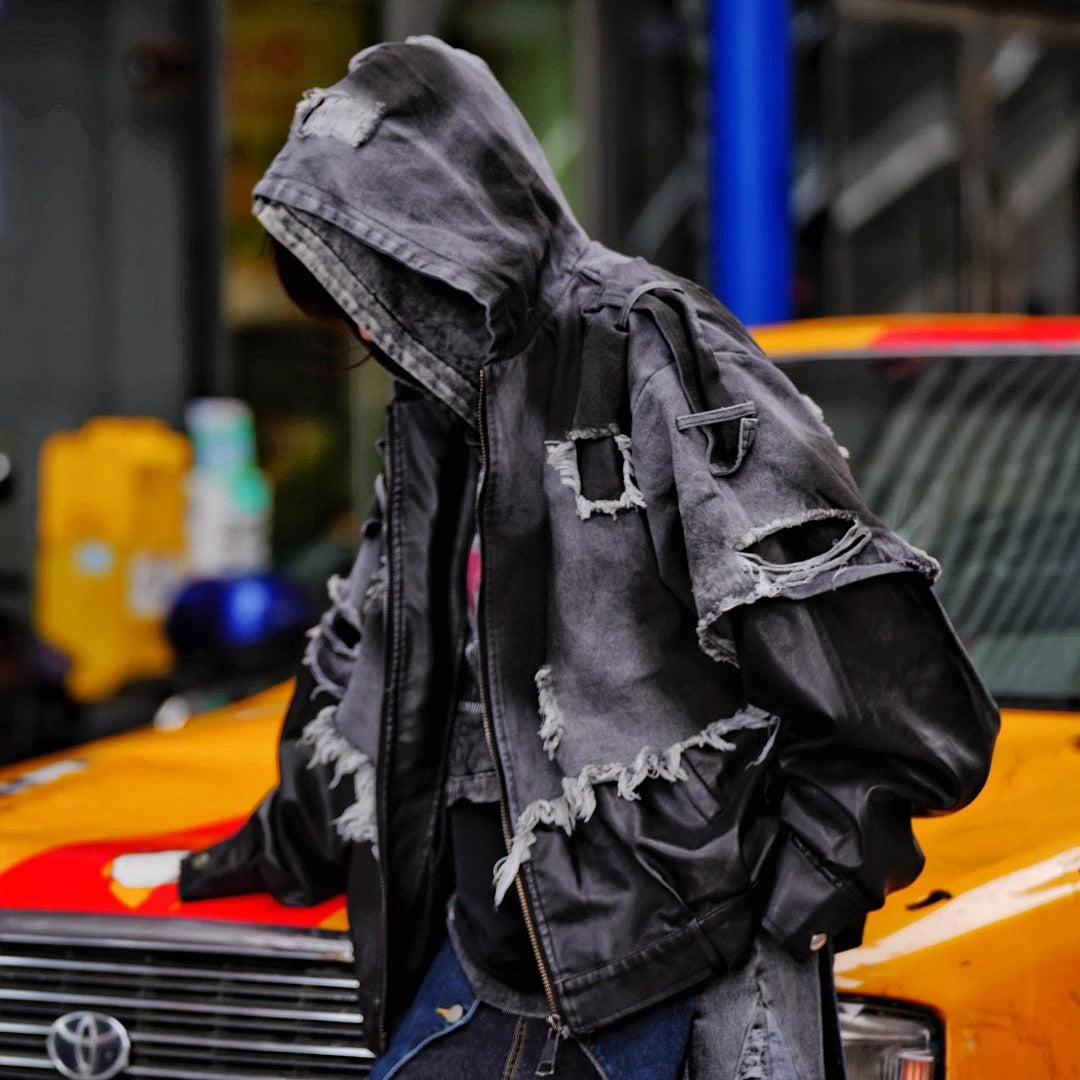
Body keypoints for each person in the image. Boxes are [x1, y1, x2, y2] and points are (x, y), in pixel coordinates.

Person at [179, 37, 998, 1079]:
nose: (368, 327)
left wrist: (796, 888)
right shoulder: (436, 415)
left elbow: (890, 687)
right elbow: (379, 670)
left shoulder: (646, 343)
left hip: (684, 969)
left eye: (377, 280)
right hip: (490, 958)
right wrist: (275, 842)